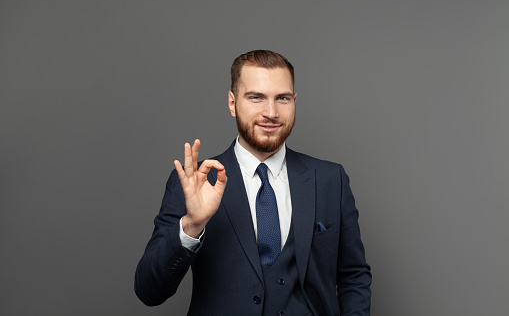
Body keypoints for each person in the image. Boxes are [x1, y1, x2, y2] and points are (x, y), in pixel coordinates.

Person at [135, 50, 372, 315]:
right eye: (256, 97)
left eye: (282, 98)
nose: (271, 113)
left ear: (294, 101)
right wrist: (191, 226)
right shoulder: (195, 183)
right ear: (232, 103)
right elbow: (149, 291)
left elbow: (354, 276)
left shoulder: (330, 179)